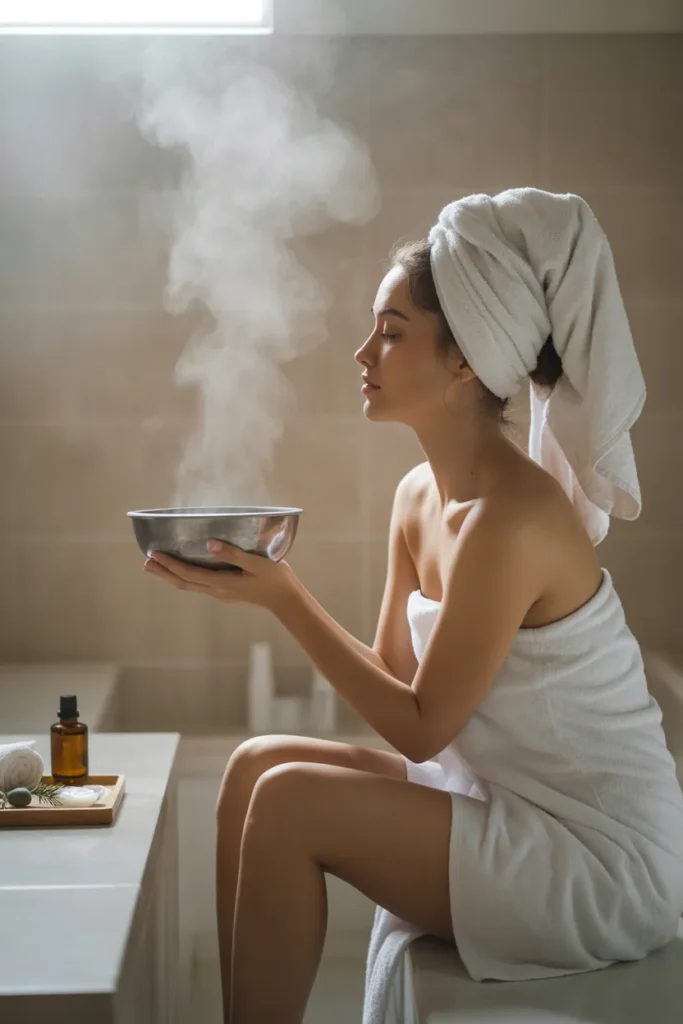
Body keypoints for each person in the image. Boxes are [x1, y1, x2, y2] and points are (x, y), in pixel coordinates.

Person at [144, 189, 683, 1024]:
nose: (363, 352)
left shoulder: (511, 519)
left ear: (464, 360)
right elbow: (395, 680)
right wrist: (264, 591)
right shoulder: (417, 495)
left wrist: (287, 600)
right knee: (253, 766)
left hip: (595, 857)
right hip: (499, 797)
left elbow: (420, 728)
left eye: (391, 333)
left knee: (287, 804)